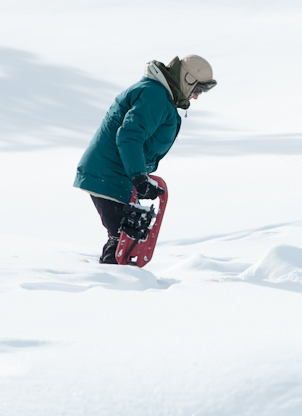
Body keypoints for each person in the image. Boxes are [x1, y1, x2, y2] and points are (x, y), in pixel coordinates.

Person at [74, 55, 217, 264]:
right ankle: (113, 284)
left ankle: (118, 281)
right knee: (125, 237)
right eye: (197, 89)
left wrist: (139, 177)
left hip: (115, 175)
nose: (195, 97)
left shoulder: (159, 96)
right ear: (187, 79)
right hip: (109, 174)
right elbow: (129, 136)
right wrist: (139, 177)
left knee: (130, 234)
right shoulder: (154, 96)